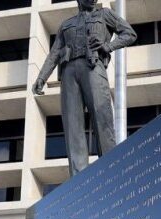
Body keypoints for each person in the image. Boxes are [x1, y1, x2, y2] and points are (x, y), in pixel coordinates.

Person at [33, 0, 137, 176]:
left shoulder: (105, 14)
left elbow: (130, 34)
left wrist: (108, 46)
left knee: (102, 117)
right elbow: (54, 53)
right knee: (72, 124)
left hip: (93, 67)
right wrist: (42, 77)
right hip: (68, 72)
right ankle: (78, 178)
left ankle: (111, 172)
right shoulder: (66, 24)